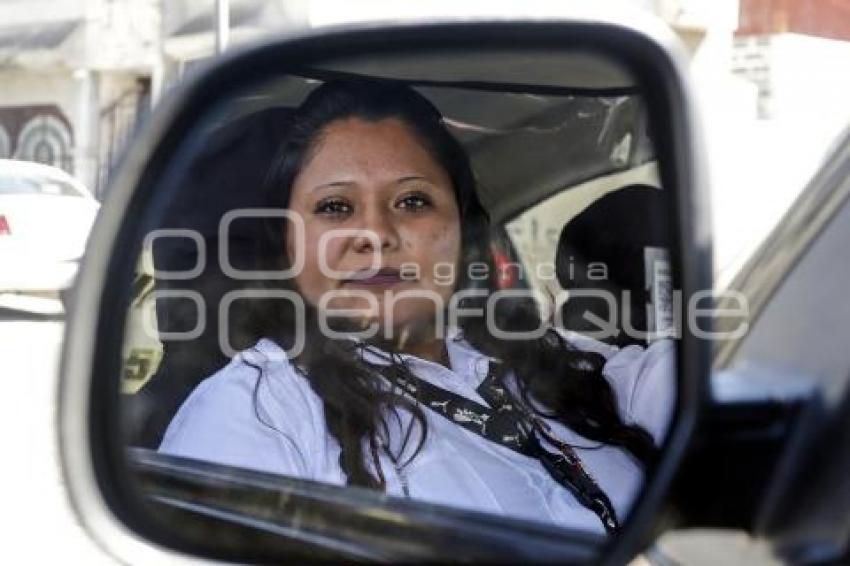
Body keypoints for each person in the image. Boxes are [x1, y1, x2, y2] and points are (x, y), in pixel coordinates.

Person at [158, 80, 675, 536]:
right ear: (289, 245)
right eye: (335, 207)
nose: (376, 235)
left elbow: (710, 381)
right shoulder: (257, 412)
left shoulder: (565, 366)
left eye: (412, 202)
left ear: (463, 231)